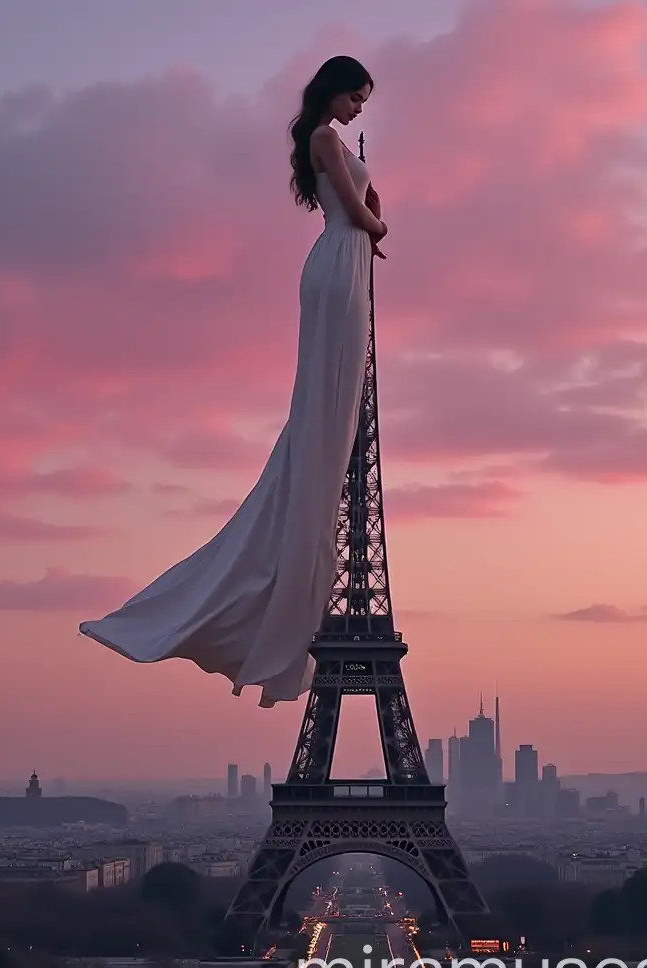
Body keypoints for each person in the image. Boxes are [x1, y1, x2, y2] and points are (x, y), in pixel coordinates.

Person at [79, 56, 387, 708]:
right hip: (338, 268)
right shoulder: (326, 137)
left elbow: (353, 207)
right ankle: (228, 594)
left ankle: (279, 572)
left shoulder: (326, 139)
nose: (359, 110)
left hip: (346, 268)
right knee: (324, 417)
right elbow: (357, 217)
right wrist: (377, 220)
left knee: (329, 421)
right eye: (357, 97)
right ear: (336, 89)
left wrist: (368, 214)